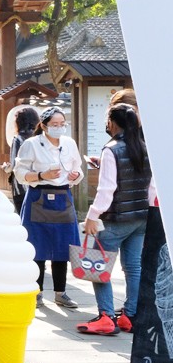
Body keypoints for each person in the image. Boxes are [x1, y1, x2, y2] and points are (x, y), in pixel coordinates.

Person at [77, 103, 154, 335]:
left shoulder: (111, 149)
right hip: (141, 217)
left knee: (99, 266)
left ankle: (106, 317)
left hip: (115, 219)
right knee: (133, 267)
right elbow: (149, 185)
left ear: (112, 122)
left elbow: (107, 189)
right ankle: (130, 316)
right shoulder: (144, 146)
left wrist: (92, 216)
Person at [12, 107, 84, 309]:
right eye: (55, 125)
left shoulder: (69, 143)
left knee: (63, 245)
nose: (59, 128)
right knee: (37, 247)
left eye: (62, 124)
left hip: (63, 196)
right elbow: (20, 172)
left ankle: (61, 293)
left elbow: (78, 168)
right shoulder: (31, 144)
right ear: (43, 126)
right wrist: (42, 175)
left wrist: (75, 177)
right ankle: (37, 292)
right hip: (38, 196)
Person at [0, 106, 40, 213]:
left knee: (24, 219)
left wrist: (5, 168)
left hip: (21, 187)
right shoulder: (40, 138)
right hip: (38, 185)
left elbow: (14, 166)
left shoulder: (18, 139)